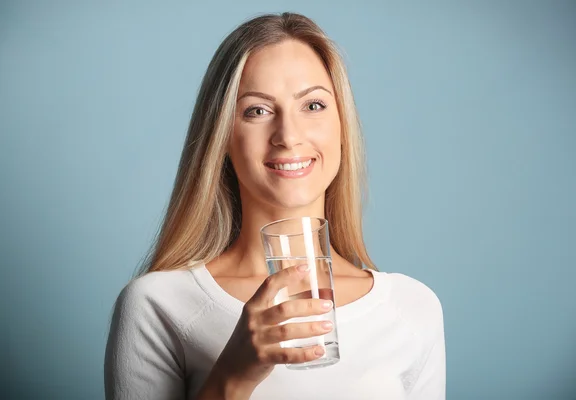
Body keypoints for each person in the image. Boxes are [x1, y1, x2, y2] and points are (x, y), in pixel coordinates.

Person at [104, 12, 445, 400]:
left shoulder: (411, 307)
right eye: (257, 110)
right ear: (223, 139)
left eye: (313, 106)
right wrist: (234, 374)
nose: (288, 135)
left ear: (342, 127)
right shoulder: (158, 304)